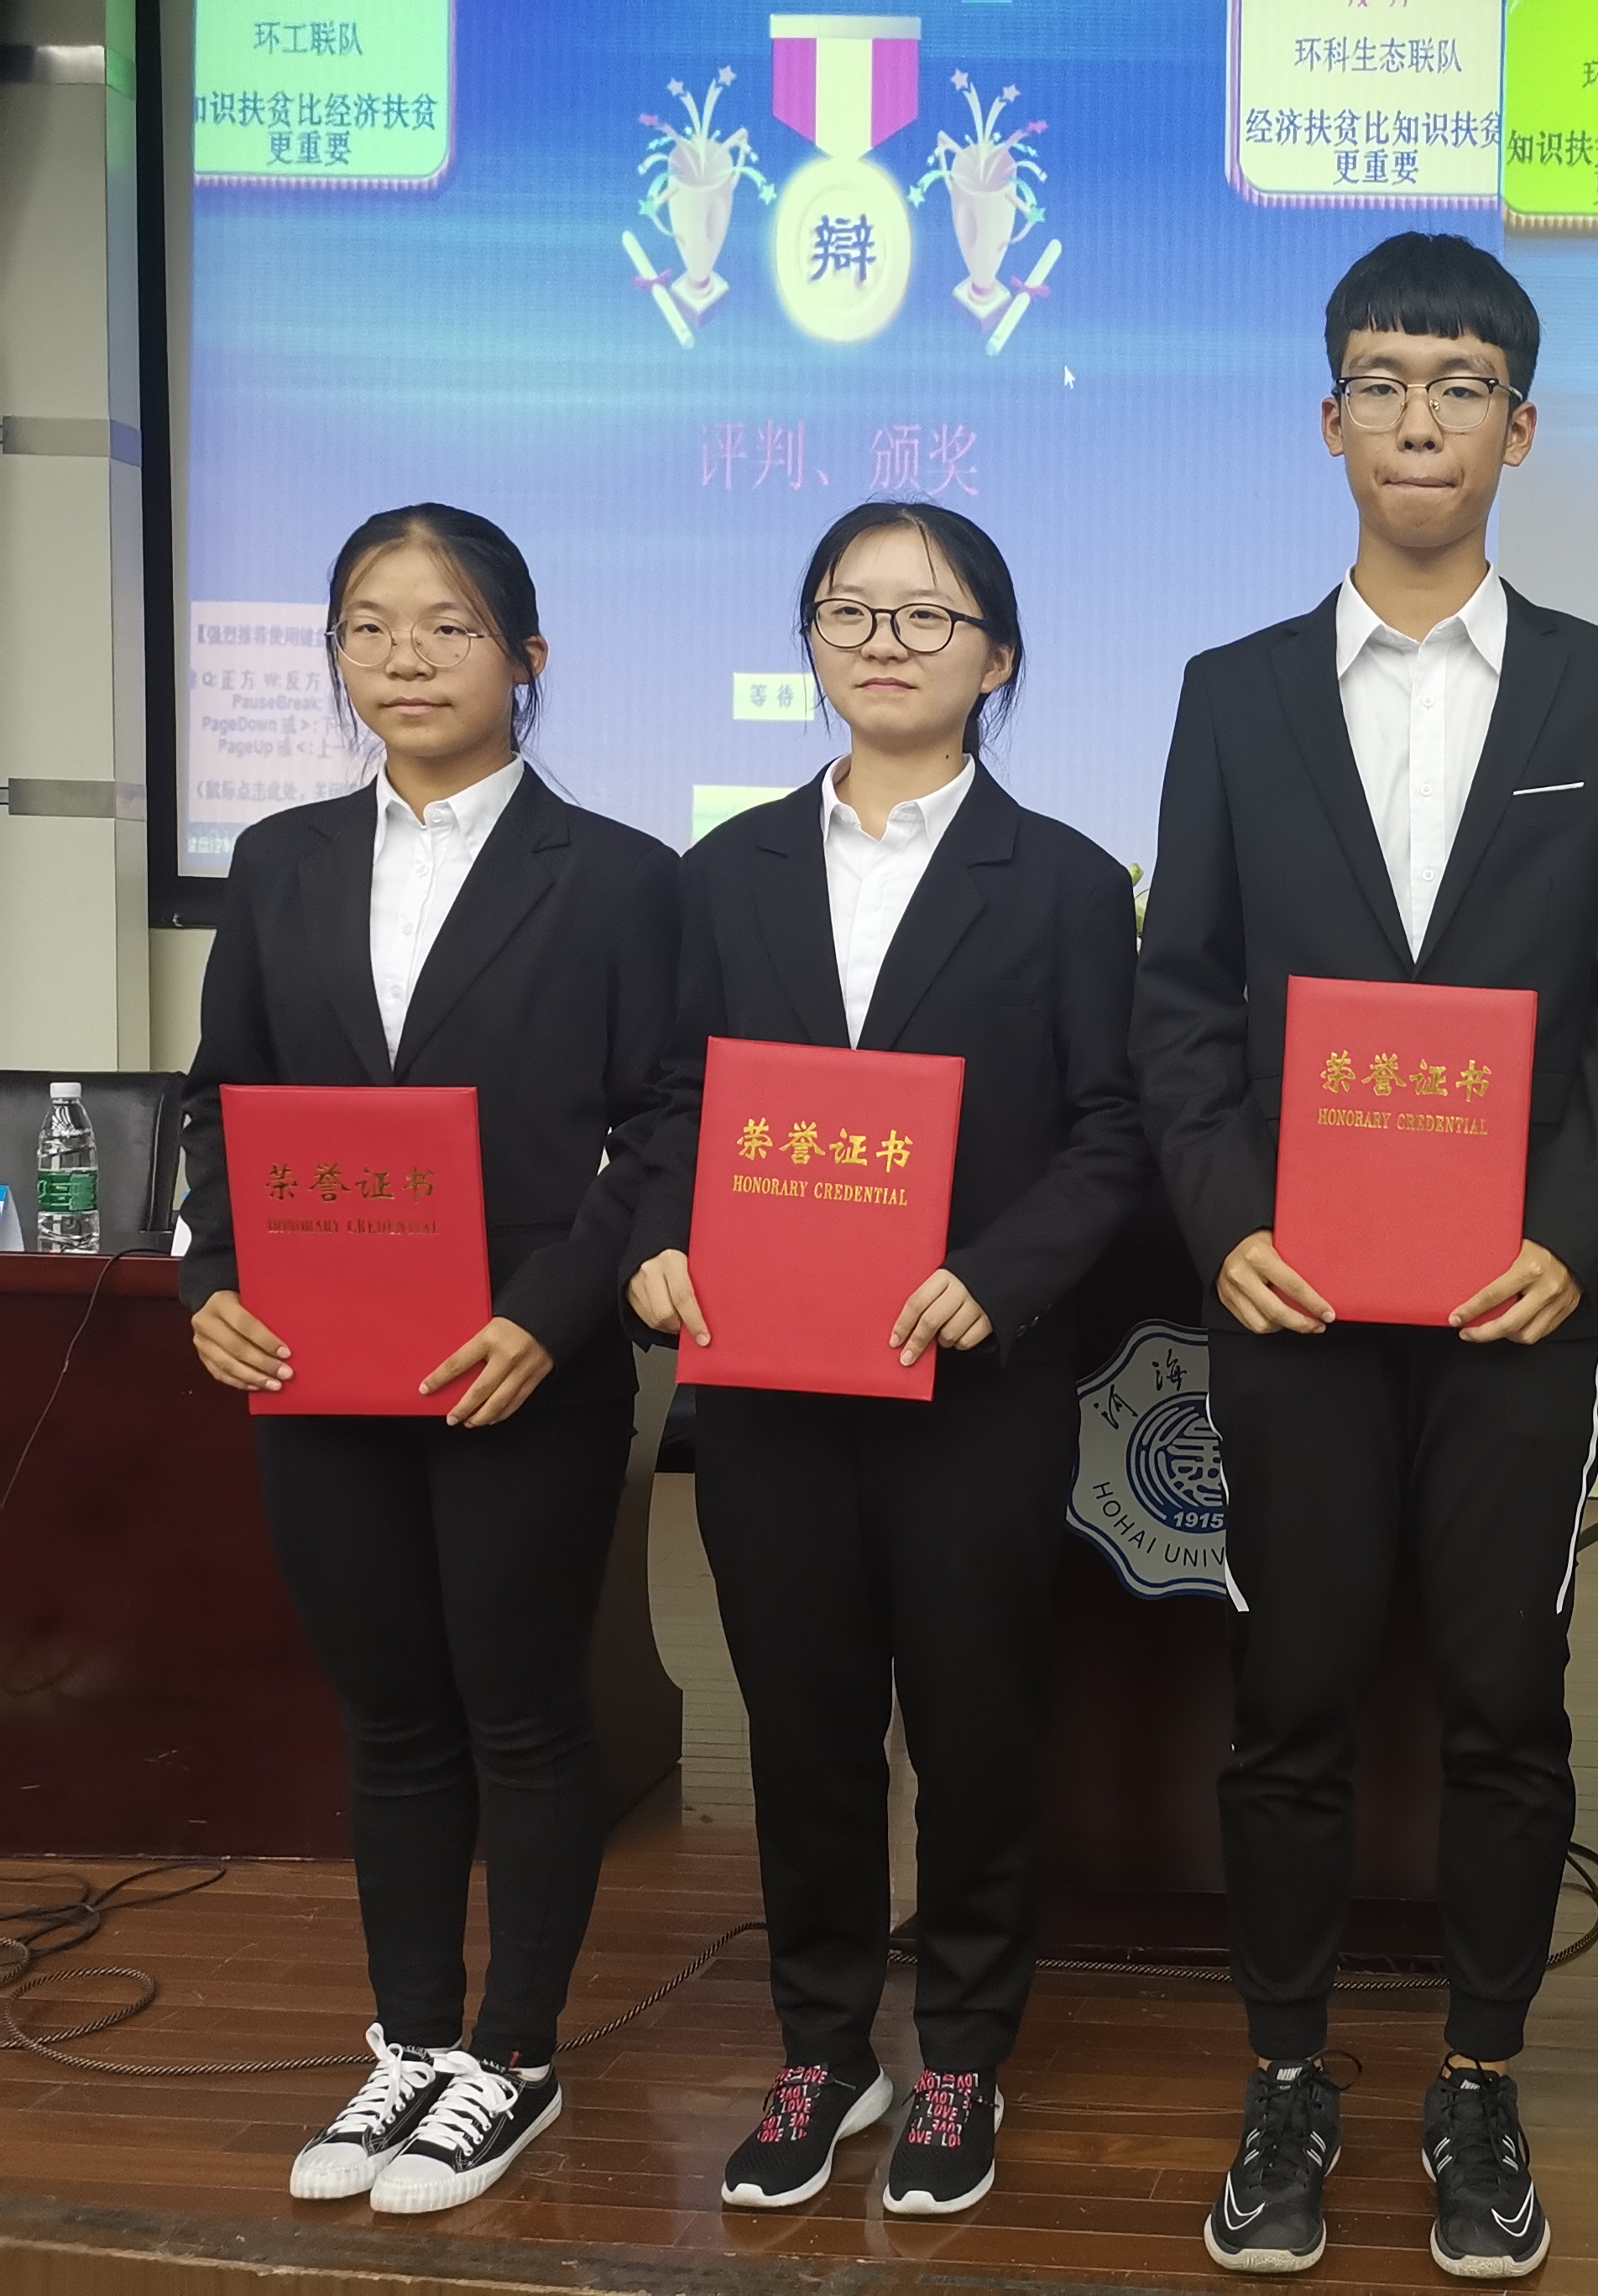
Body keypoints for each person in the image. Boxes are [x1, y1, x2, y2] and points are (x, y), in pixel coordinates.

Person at [1131, 231, 1598, 2279]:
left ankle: (1481, 2080)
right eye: (1382, 380)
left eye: (1461, 385)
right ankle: (1288, 2078)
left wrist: (1573, 1231)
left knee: (1504, 1702)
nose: (1420, 418)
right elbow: (1181, 996)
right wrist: (1226, 1220)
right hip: (1294, 1298)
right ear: (1330, 420)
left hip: (1513, 1305)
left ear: (1519, 429)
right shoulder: (1234, 695)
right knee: (1287, 1696)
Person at [621, 502, 1148, 2218]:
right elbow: (675, 1106)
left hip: (972, 1388)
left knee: (977, 1727)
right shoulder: (724, 875)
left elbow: (1111, 1131)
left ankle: (966, 2049)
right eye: (850, 611)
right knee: (805, 1726)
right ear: (812, 645)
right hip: (769, 1384)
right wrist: (658, 1241)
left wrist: (999, 1276)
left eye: (929, 616)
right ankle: (825, 2043)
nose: (885, 642)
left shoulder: (1066, 882)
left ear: (999, 658)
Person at [180, 505, 678, 2214]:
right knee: (389, 1717)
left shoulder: (618, 874)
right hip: (319, 1361)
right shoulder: (281, 861)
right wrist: (211, 1278)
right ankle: (406, 2042)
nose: (404, 657)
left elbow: (664, 1121)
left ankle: (511, 2059)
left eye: (449, 626)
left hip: (519, 1365)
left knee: (521, 1712)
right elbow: (224, 1101)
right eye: (369, 626)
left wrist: (552, 1314)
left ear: (526, 659)